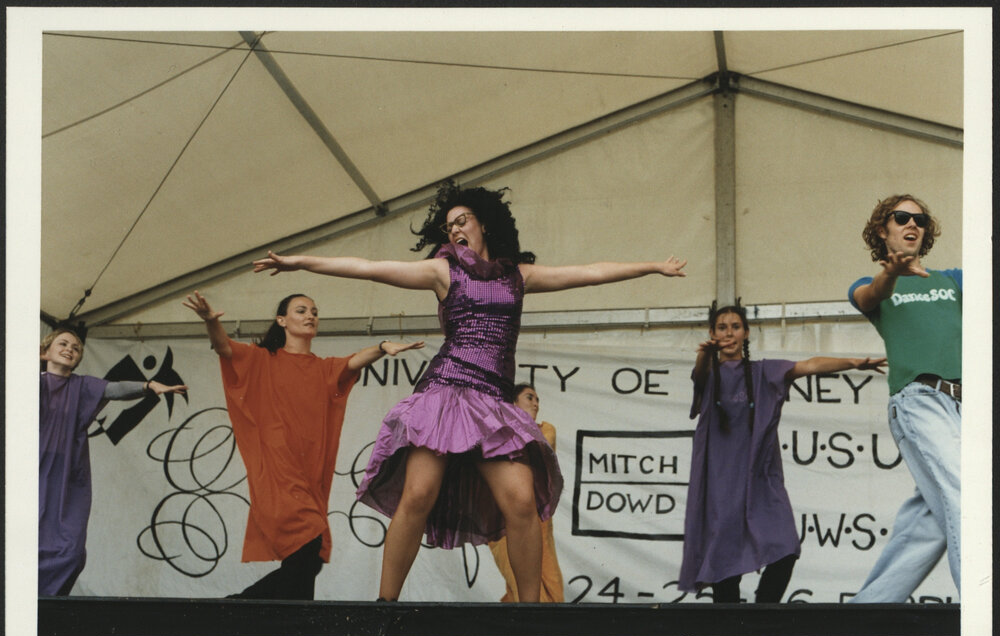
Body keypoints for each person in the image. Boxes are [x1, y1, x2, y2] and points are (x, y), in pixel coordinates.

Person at [252, 179, 687, 602]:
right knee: (418, 494)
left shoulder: (518, 276)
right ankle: (385, 607)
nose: (456, 230)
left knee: (521, 501)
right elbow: (369, 268)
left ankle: (531, 615)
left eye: (462, 221)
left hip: (493, 403)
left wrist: (651, 266)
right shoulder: (444, 271)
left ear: (484, 224)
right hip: (447, 393)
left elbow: (588, 273)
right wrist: (300, 262)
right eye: (449, 227)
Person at [182, 291, 423, 599]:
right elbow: (224, 347)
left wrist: (381, 347)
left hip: (308, 477)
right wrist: (210, 321)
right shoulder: (261, 360)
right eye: (301, 310)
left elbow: (353, 361)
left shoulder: (322, 369)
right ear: (281, 320)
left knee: (308, 558)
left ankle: (276, 616)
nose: (310, 316)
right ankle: (236, 607)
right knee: (309, 547)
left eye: (314, 311)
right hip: (278, 472)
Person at [678, 301, 886, 603]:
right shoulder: (709, 374)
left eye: (735, 327)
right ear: (712, 333)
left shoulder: (764, 372)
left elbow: (809, 365)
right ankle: (731, 625)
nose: (729, 333)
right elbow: (699, 374)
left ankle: (763, 615)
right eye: (722, 328)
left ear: (746, 333)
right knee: (725, 563)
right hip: (721, 481)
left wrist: (853, 363)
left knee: (785, 548)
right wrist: (704, 354)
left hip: (760, 476)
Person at [847, 195, 961, 603]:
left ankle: (867, 612)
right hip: (921, 398)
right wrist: (891, 272)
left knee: (928, 521)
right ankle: (985, 608)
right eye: (901, 217)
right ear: (883, 230)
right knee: (966, 493)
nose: (912, 224)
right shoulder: (869, 285)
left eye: (920, 219)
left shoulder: (953, 280)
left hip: (967, 405)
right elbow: (870, 295)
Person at [39, 328, 188, 596]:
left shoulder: (82, 385)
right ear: (44, 353)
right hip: (33, 471)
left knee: (71, 552)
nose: (70, 349)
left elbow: (115, 389)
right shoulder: (29, 382)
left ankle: (47, 602)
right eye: (62, 344)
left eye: (76, 348)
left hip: (69, 474)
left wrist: (149, 386)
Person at [487, 383, 565, 602]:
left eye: (538, 399)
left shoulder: (545, 429)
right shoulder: (496, 433)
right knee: (522, 588)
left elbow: (538, 449)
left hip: (538, 522)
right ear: (513, 403)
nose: (536, 404)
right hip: (503, 520)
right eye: (530, 397)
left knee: (552, 588)